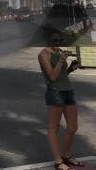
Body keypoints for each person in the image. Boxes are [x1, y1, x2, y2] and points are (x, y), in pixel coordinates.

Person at [38, 31, 84, 170]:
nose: (57, 43)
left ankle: (67, 155)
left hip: (68, 91)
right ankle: (58, 162)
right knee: (54, 128)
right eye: (55, 40)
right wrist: (61, 60)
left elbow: (61, 74)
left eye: (60, 40)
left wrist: (70, 68)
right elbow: (52, 76)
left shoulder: (59, 51)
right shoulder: (43, 54)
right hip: (55, 93)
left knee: (72, 127)